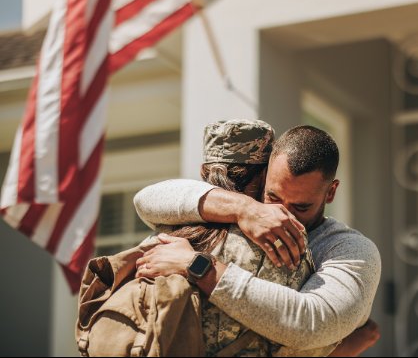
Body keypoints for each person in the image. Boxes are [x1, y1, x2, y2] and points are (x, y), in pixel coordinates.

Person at [78, 120, 338, 356]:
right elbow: (309, 337)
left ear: (204, 172)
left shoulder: (166, 232)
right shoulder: (282, 246)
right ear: (264, 175)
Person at [134, 125, 382, 354]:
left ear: (331, 192)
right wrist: (245, 208)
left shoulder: (351, 249)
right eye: (273, 197)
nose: (280, 215)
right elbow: (146, 200)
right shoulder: (242, 215)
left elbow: (312, 323)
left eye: (300, 207)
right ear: (265, 177)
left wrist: (199, 267)